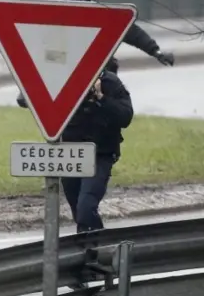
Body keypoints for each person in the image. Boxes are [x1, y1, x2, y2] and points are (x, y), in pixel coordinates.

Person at [15, 0, 174, 106]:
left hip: (100, 79)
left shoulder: (105, 18)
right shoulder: (51, 21)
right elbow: (36, 53)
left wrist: (156, 51)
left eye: (81, 2)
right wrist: (29, 89)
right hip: (64, 79)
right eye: (70, 2)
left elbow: (132, 32)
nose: (76, 7)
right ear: (61, 0)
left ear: (90, 1)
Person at [18, 71, 133, 232]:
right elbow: (23, 99)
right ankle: (90, 248)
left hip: (99, 154)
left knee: (86, 206)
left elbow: (126, 117)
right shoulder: (61, 79)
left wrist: (101, 97)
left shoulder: (109, 81)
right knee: (79, 212)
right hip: (70, 154)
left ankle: (95, 248)